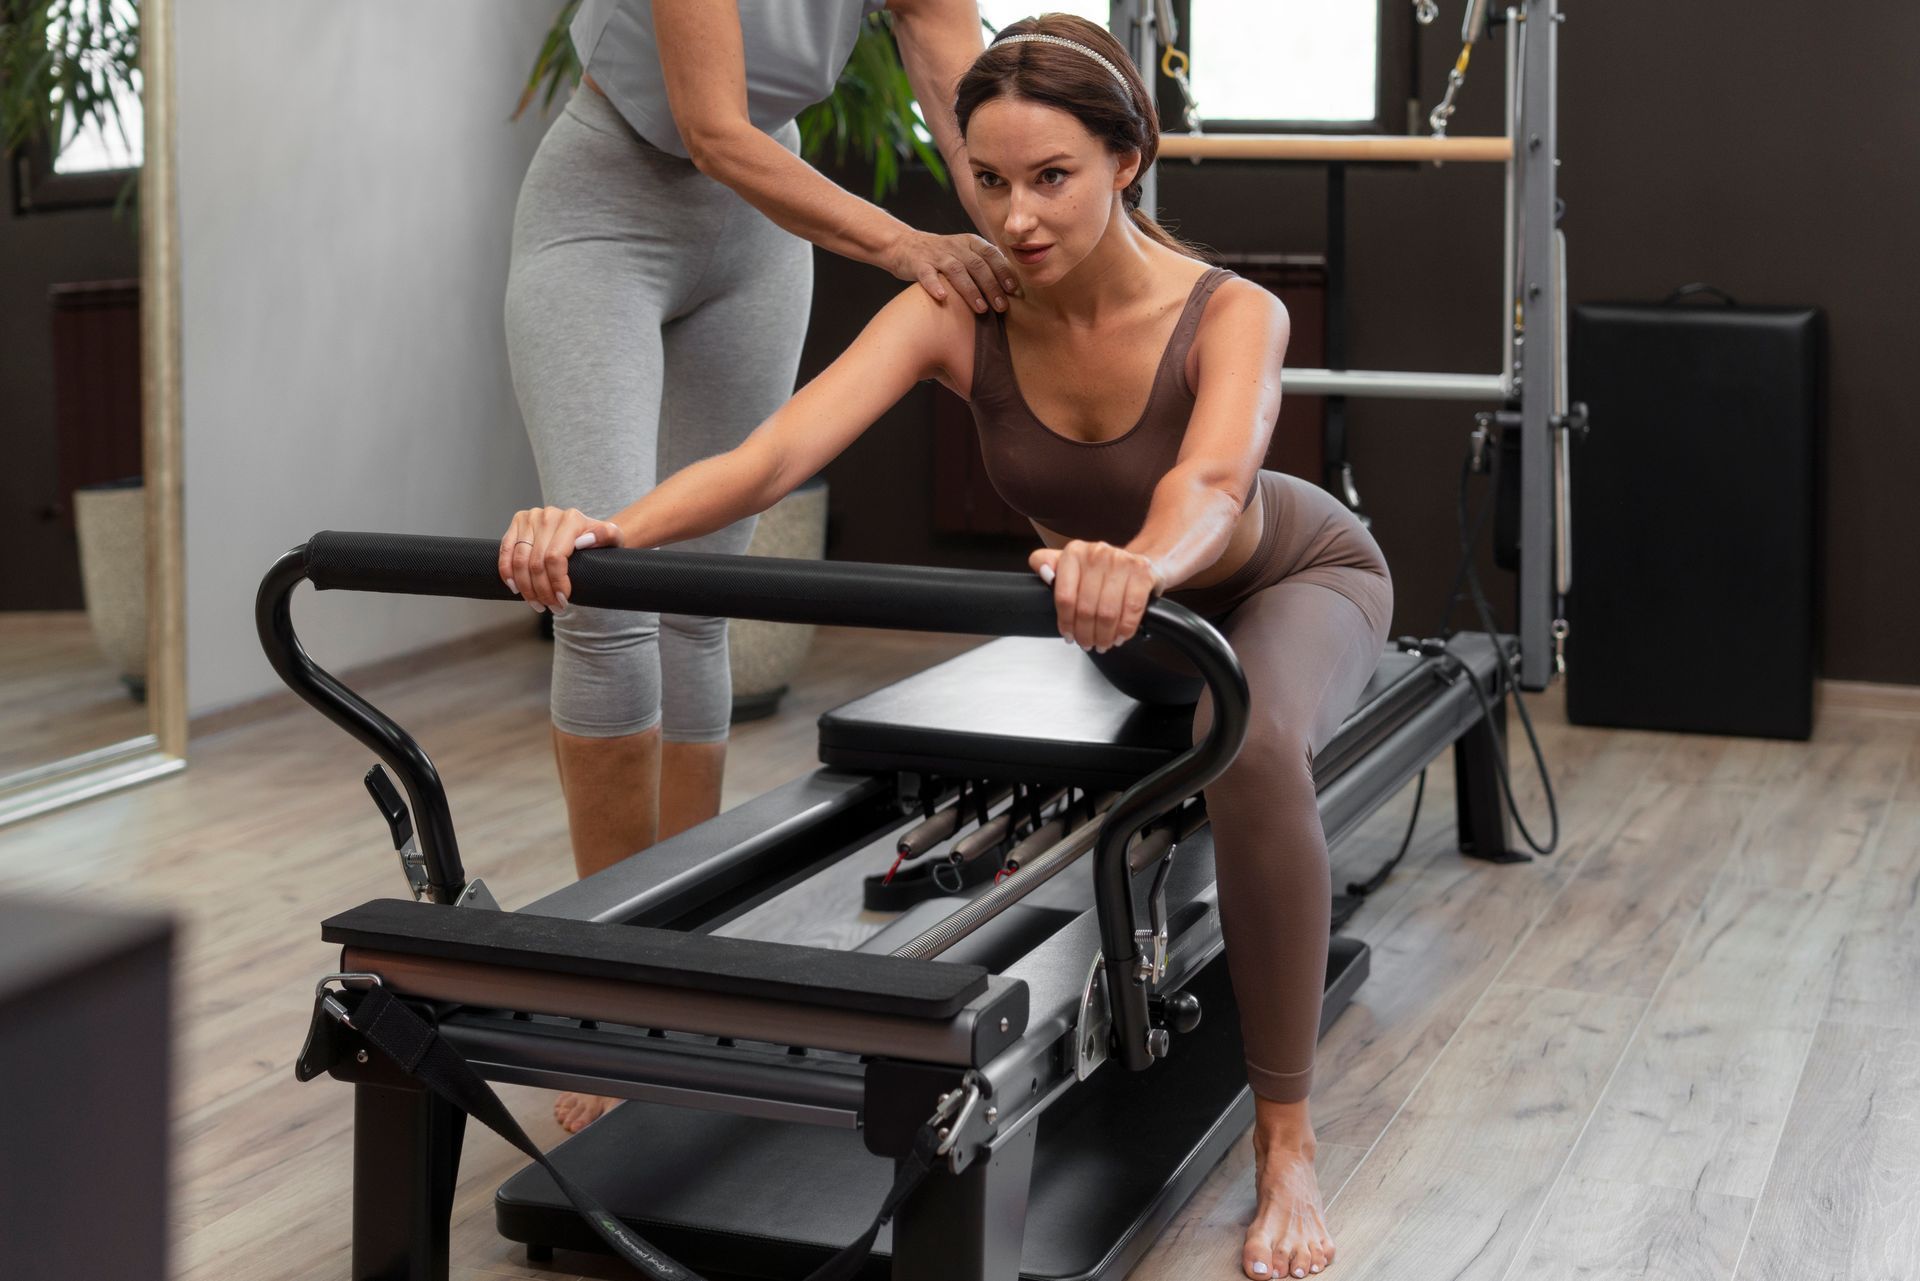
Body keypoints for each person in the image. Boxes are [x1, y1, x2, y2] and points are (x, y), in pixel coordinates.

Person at [503, 15, 1388, 1278]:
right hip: (1129, 624)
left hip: (1281, 586)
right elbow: (772, 456)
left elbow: (1212, 477)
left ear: (1127, 160)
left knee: (1242, 749)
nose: (1017, 218)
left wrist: (1133, 563)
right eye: (988, 182)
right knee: (1193, 721)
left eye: (1052, 178)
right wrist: (605, 529)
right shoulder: (958, 313)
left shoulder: (1230, 311)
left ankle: (1289, 1148)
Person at [503, 0, 1010, 1135]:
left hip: (760, 231)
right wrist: (913, 244)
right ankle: (606, 988)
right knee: (606, 589)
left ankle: (686, 950)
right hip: (609, 207)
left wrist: (1024, 223)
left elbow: (949, 69)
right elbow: (713, 126)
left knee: (699, 603)